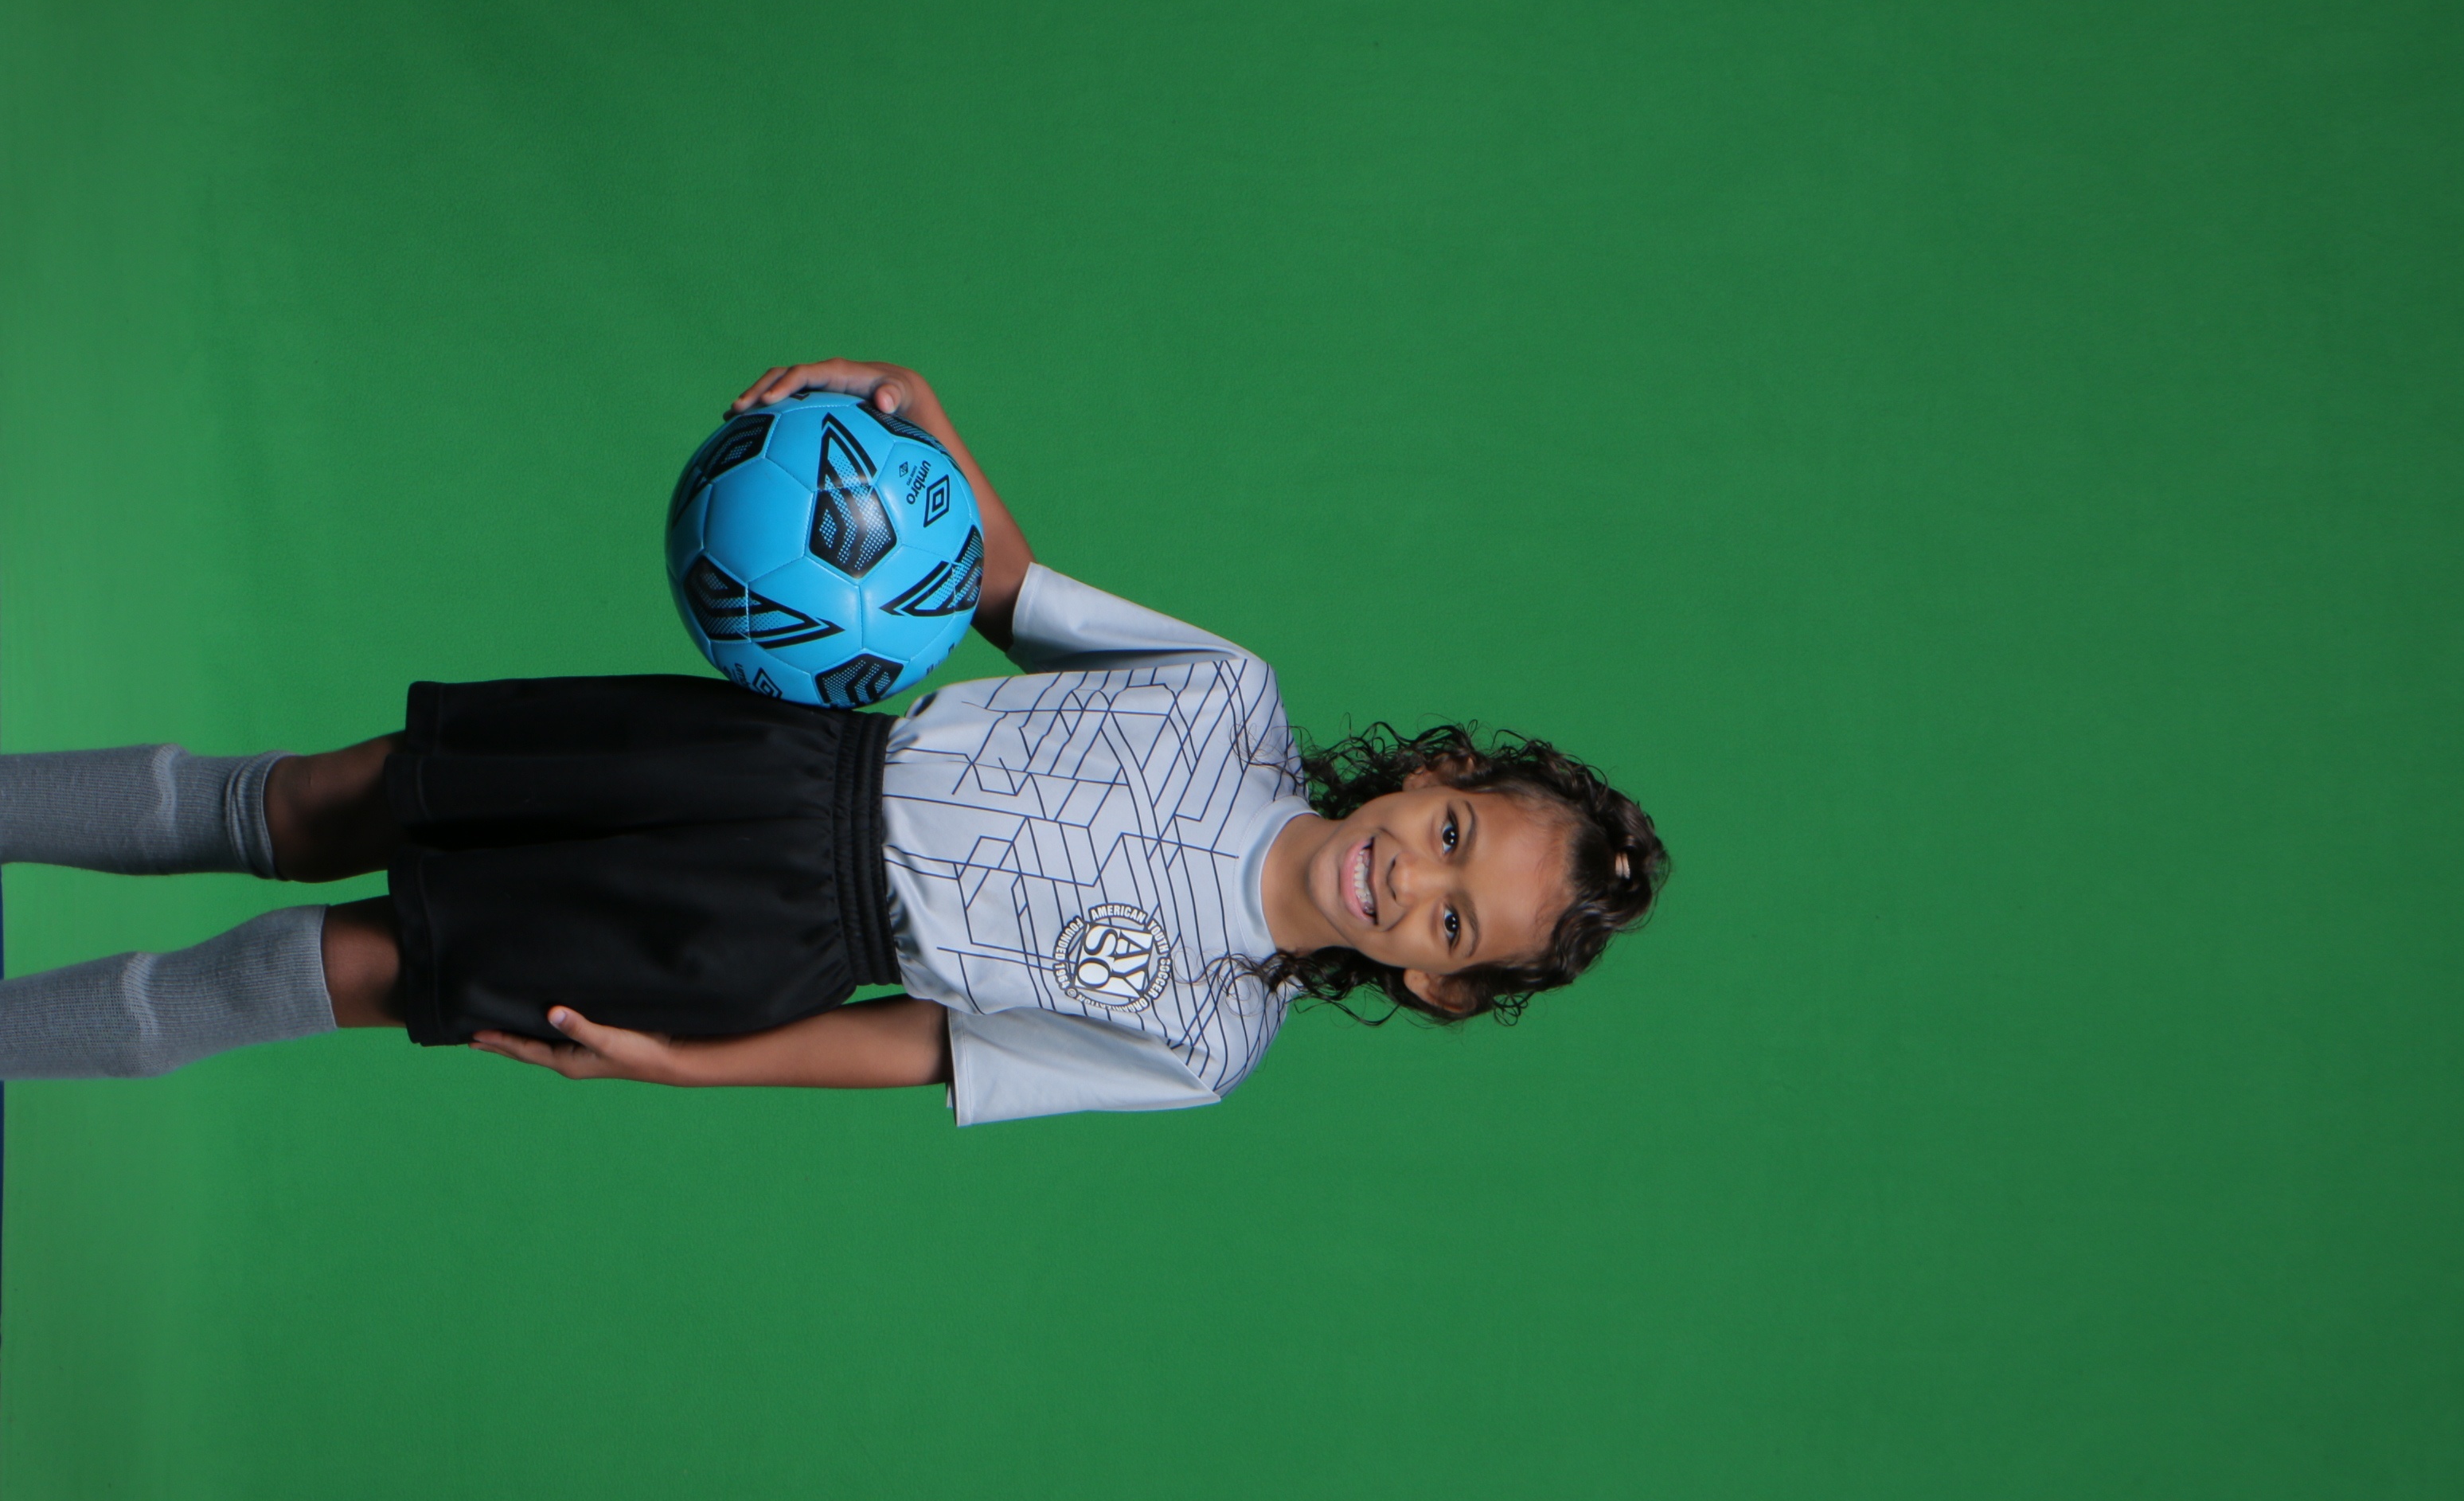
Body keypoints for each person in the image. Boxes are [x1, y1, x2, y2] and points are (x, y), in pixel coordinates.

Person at [0, 360, 1667, 1123]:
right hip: (766, 757)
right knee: (299, 800)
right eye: (1454, 836)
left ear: (1441, 986)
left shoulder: (1204, 1043)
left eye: (1455, 923)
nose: (1413, 880)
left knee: (316, 963)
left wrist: (689, 1063)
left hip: (760, 939)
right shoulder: (1227, 693)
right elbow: (1002, 591)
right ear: (1434, 776)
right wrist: (927, 417)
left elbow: (928, 1048)